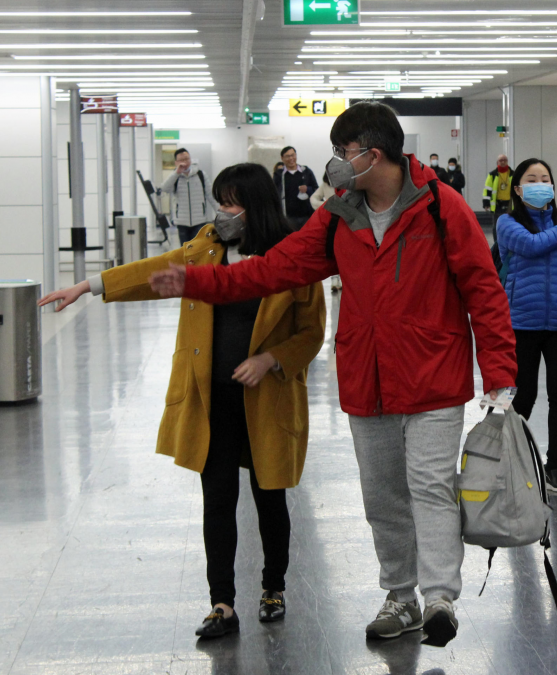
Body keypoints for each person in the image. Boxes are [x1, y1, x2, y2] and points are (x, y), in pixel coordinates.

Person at [147, 102, 516, 648]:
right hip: (367, 378)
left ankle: (440, 597)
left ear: (375, 153)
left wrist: (500, 373)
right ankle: (400, 597)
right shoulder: (340, 212)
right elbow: (275, 268)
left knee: (432, 486)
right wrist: (197, 282)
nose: (337, 163)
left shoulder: (442, 206)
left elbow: (483, 289)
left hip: (433, 376)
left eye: (344, 152)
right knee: (383, 496)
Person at [37, 163, 327, 638]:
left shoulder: (292, 259)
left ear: (255, 206)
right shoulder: (206, 247)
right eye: (220, 201)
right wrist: (88, 286)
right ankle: (222, 603)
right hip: (211, 397)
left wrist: (271, 359)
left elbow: (311, 332)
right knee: (217, 499)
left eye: (231, 203)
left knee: (269, 497)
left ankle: (274, 587)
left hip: (268, 399)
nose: (222, 212)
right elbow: (151, 272)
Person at [497, 158, 557, 494]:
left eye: (545, 178)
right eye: (531, 178)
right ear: (518, 188)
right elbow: (531, 245)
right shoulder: (508, 223)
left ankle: (554, 467)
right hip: (520, 322)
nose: (540, 184)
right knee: (523, 396)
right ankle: (517, 462)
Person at [159, 148, 217, 245]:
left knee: (198, 248)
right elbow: (164, 188)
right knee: (185, 250)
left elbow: (210, 195)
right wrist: (176, 173)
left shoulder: (200, 174)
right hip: (182, 222)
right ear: (176, 162)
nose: (185, 162)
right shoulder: (175, 177)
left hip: (199, 220)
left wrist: (219, 212)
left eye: (187, 159)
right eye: (181, 160)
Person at [309, 171, 342, 292]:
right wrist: (325, 205)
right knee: (332, 250)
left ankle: (343, 279)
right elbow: (313, 198)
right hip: (332, 222)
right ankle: (334, 279)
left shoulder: (347, 183)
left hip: (346, 222)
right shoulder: (326, 185)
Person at [275, 146, 319, 230]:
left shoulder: (306, 171)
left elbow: (316, 190)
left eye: (293, 155)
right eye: (288, 156)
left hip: (307, 215)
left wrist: (308, 189)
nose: (291, 158)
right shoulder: (279, 175)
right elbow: (274, 193)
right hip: (288, 216)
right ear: (282, 158)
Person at [483, 154, 513, 236]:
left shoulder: (513, 174)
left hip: (510, 204)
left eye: (505, 160)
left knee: (510, 225)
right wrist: (486, 203)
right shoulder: (492, 175)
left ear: (507, 162)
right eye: (501, 160)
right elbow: (487, 189)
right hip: (497, 205)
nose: (503, 162)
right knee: (497, 225)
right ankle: (497, 244)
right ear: (497, 162)